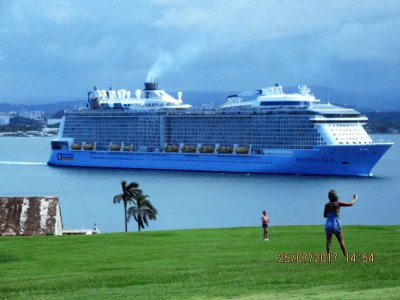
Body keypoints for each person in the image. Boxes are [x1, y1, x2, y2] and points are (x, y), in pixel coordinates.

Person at [324, 190, 358, 255]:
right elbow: (351, 204)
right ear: (335, 196)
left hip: (328, 224)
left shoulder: (326, 205)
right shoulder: (338, 203)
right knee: (341, 241)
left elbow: (325, 215)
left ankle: (328, 256)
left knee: (328, 241)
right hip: (336, 224)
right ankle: (346, 256)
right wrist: (355, 198)